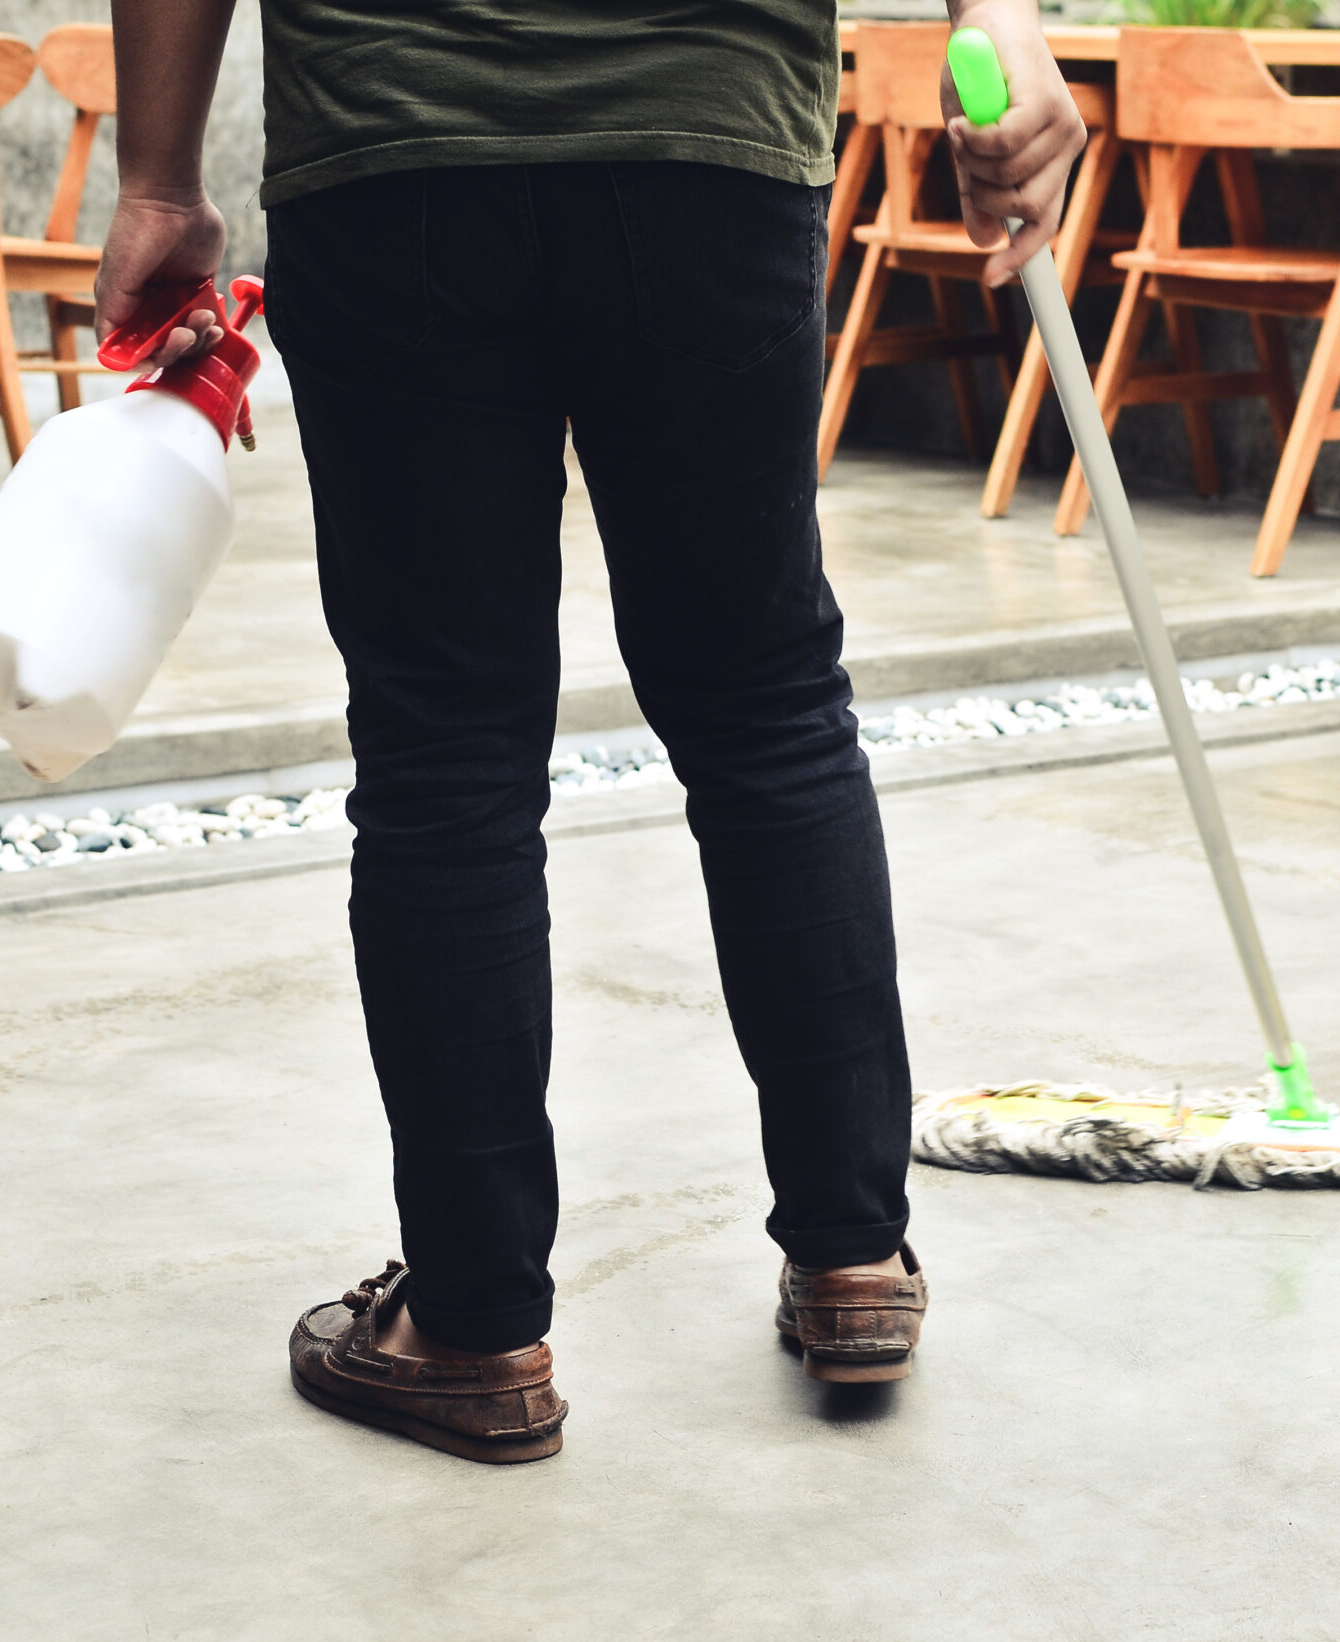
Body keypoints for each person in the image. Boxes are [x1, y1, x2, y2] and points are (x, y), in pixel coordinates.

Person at [96, 0, 1085, 1463]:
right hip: (707, 143)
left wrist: (159, 181)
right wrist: (998, 17)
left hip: (395, 151)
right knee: (765, 709)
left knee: (443, 742)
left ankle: (475, 1331)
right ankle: (852, 1256)